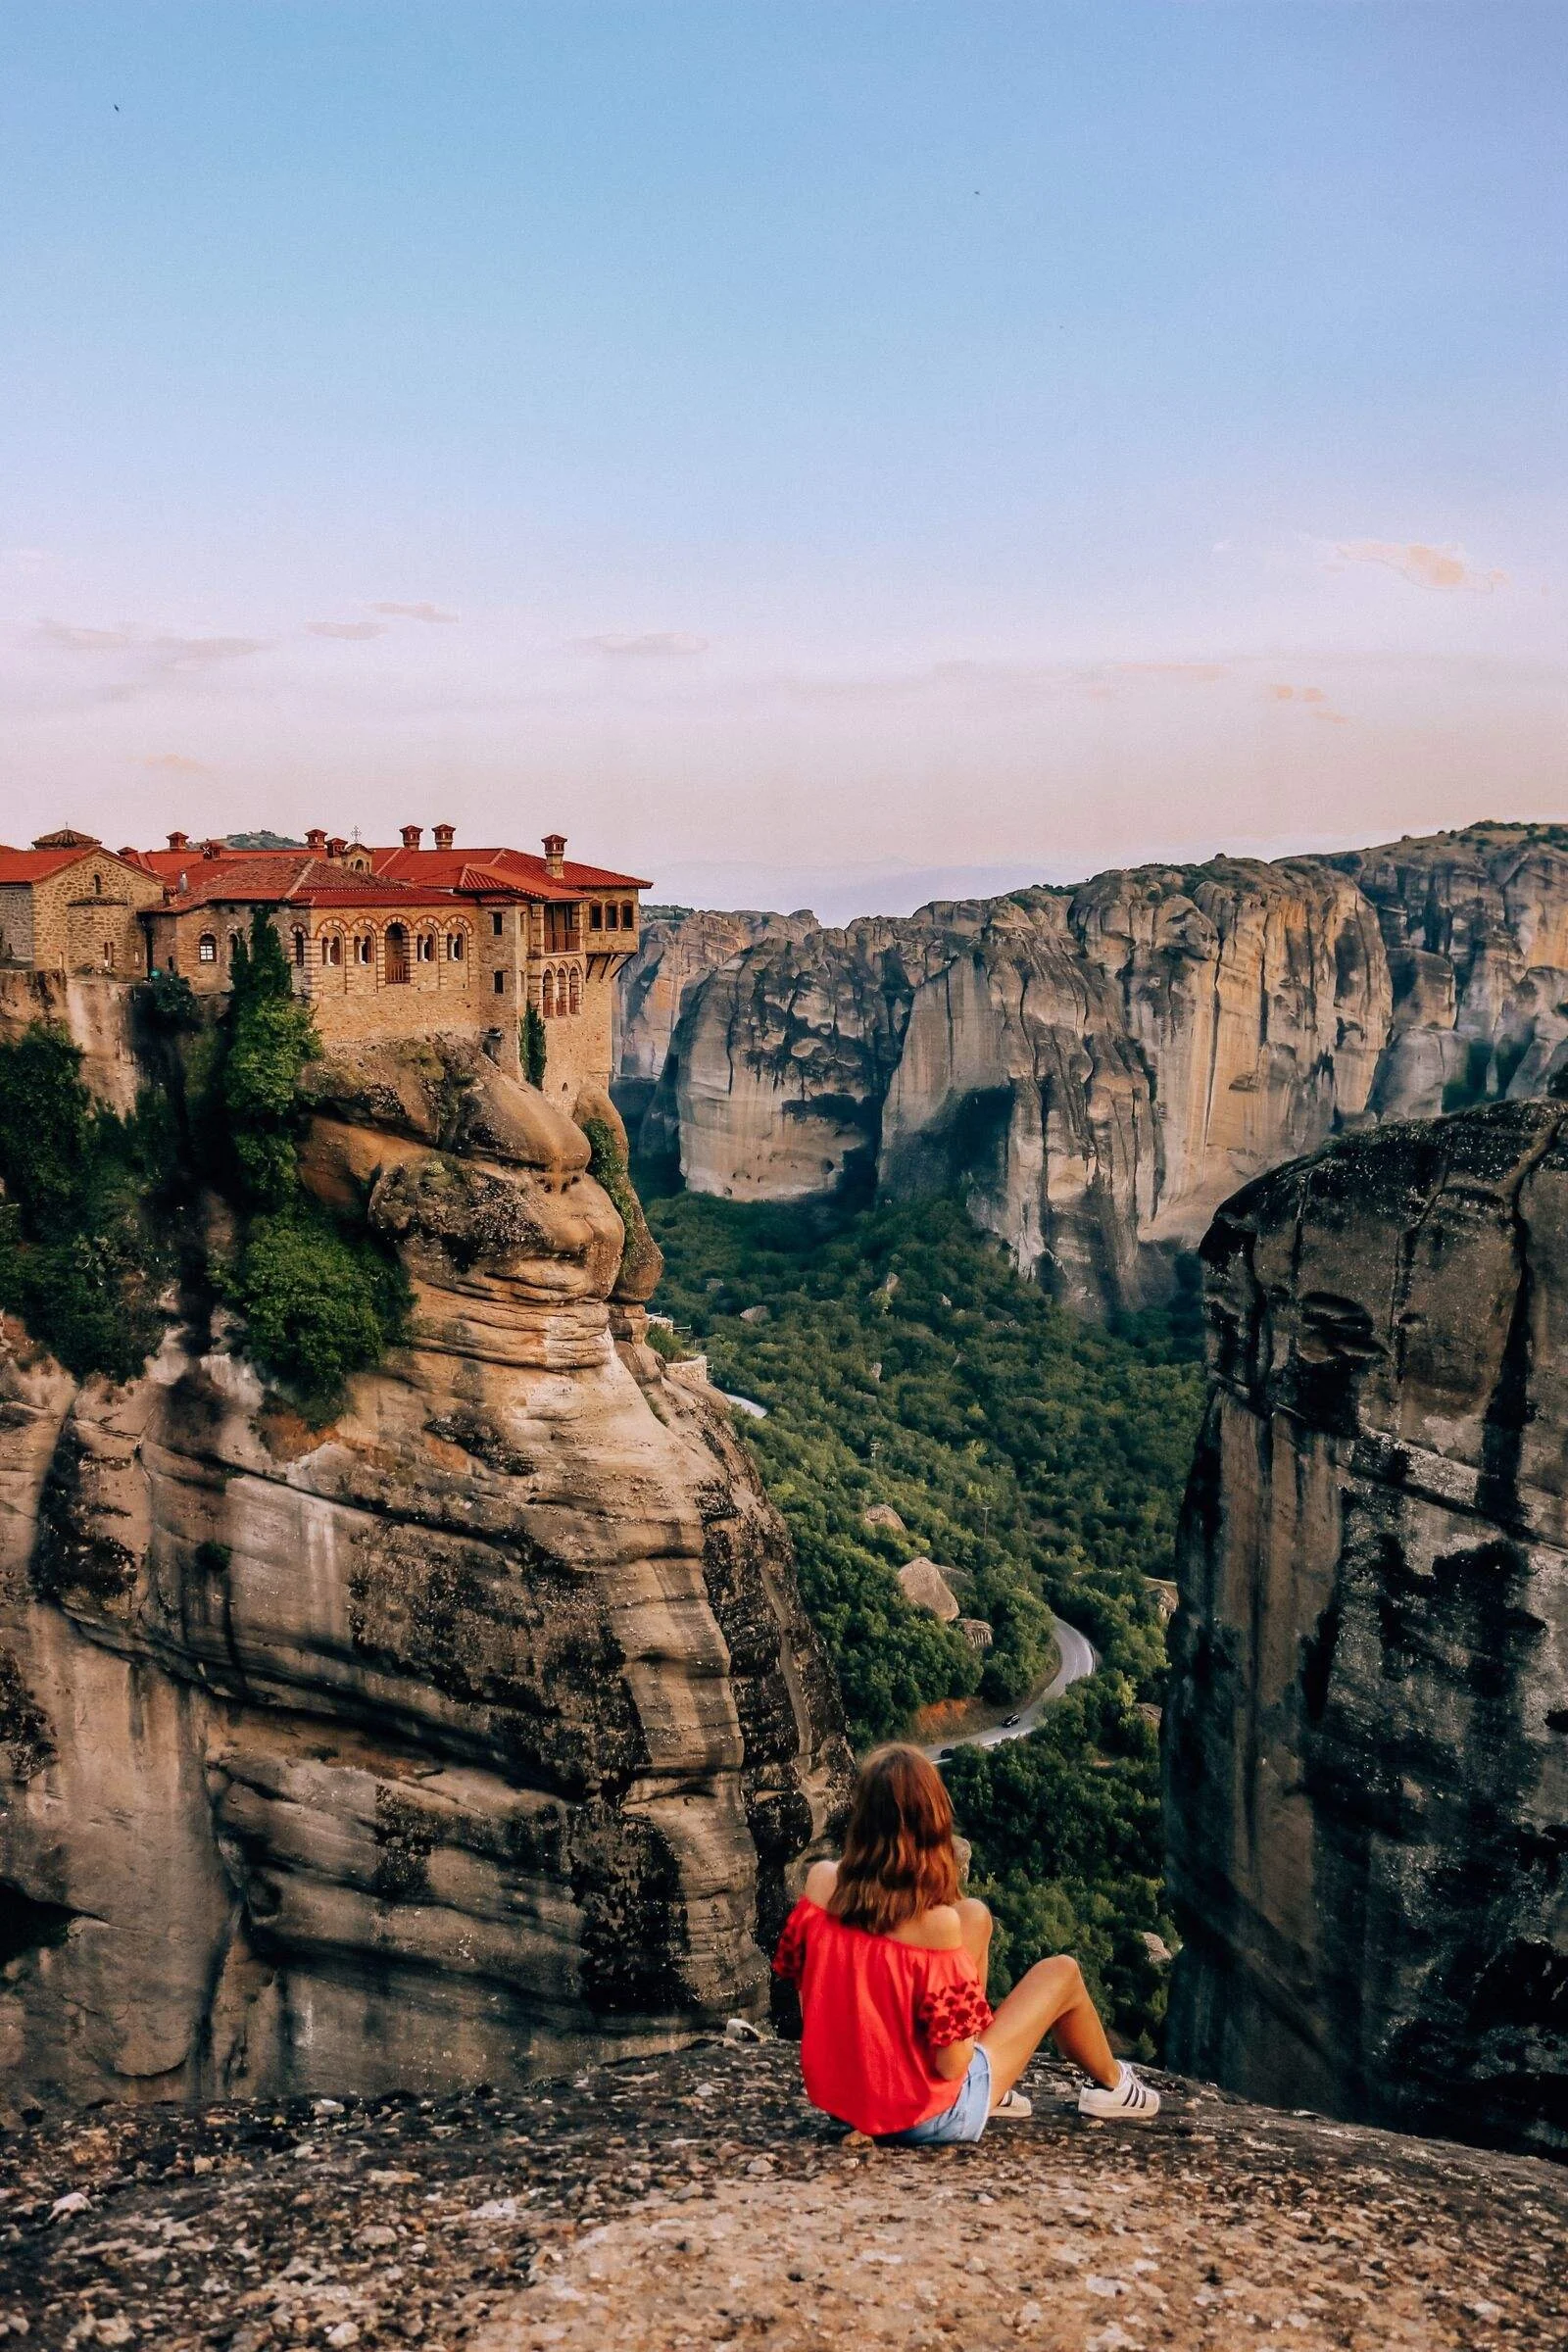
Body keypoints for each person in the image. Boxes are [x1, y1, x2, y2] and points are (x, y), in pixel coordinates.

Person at [773, 1742, 1158, 2144]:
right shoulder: (935, 1927)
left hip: (842, 2102)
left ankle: (995, 2087)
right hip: (924, 2117)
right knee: (1062, 1972)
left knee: (975, 1915)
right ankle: (1114, 2086)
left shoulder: (820, 1883)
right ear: (932, 1822)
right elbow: (951, 2066)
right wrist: (971, 2038)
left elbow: (812, 1996)